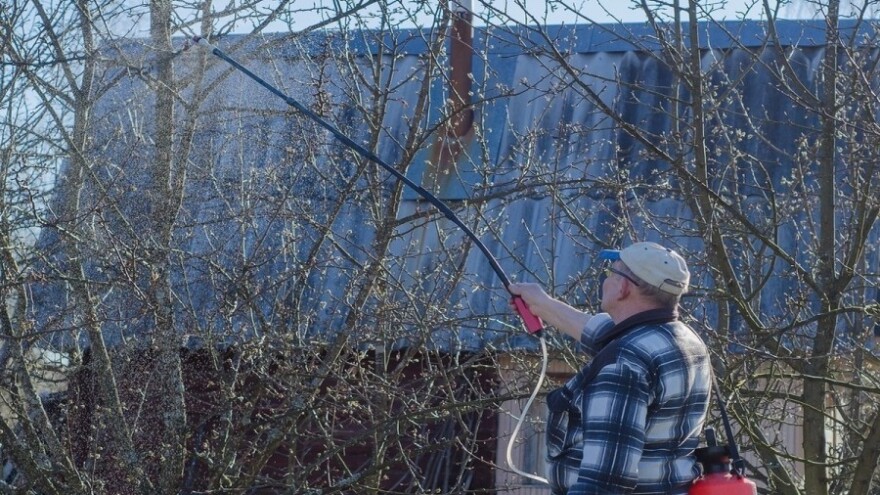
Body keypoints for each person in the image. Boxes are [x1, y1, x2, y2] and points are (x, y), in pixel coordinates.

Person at [509, 241, 711, 495]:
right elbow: (601, 334)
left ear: (623, 287)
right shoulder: (683, 339)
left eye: (610, 274)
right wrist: (542, 304)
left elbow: (603, 483)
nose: (606, 281)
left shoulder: (623, 364)